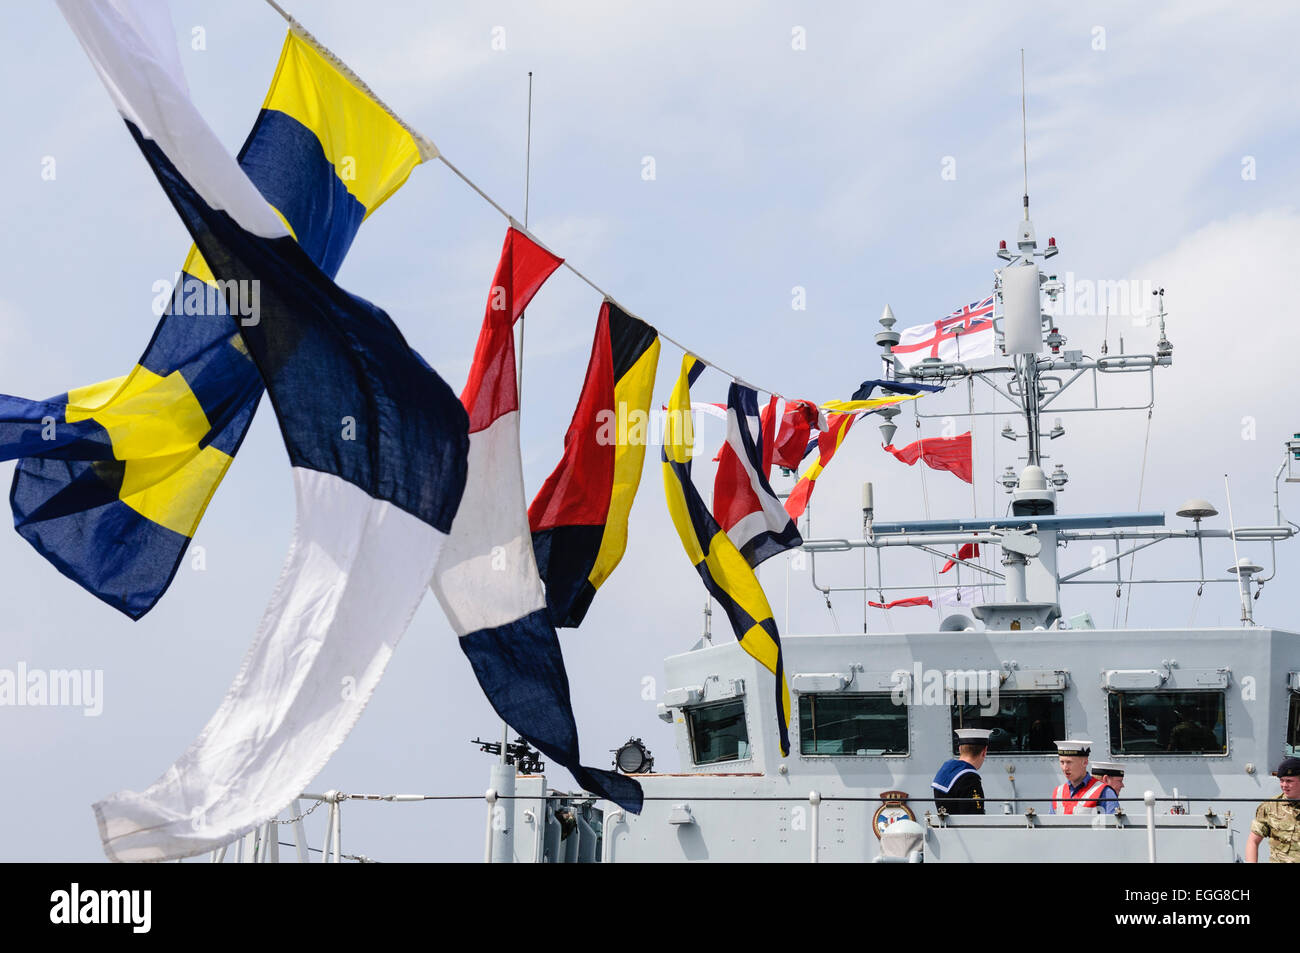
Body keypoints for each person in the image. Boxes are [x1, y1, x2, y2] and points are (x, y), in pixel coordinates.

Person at [1245, 756, 1300, 863]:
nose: (1284, 785)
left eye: (1289, 781)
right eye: (1281, 780)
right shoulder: (1270, 806)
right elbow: (1253, 841)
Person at [932, 728, 991, 815]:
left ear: (960, 749)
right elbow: (975, 817)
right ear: (984, 752)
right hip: (962, 827)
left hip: (945, 826)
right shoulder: (969, 778)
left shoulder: (945, 769)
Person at [1049, 740, 1118, 815]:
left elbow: (1113, 825)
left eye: (1069, 762)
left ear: (1085, 762)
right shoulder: (1057, 792)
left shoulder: (1105, 792)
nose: (1065, 768)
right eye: (1062, 762)